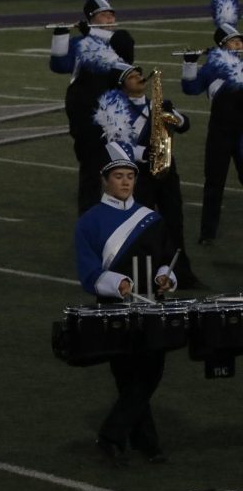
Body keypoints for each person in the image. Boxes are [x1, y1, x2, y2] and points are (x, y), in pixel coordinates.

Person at [74, 145, 177, 466]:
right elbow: (88, 269)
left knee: (150, 372)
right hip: (113, 309)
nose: (126, 182)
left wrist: (164, 277)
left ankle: (114, 435)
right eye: (118, 176)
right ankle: (147, 443)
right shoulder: (90, 221)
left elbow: (166, 256)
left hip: (151, 306)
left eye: (130, 176)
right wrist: (117, 284)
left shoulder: (151, 218)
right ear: (105, 180)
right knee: (127, 374)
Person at [92, 62, 199, 287]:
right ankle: (142, 275)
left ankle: (179, 273)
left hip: (167, 173)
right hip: (139, 177)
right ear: (121, 86)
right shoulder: (114, 113)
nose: (139, 77)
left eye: (139, 73)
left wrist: (175, 116)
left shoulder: (157, 105)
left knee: (174, 223)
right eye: (131, 76)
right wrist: (145, 153)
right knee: (142, 227)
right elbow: (113, 144)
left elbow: (185, 125)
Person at [50, 0, 136, 214]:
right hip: (86, 112)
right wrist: (60, 37)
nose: (110, 19)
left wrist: (94, 33)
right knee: (90, 166)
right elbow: (60, 65)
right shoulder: (80, 44)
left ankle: (122, 211)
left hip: (116, 113)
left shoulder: (119, 40)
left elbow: (126, 53)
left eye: (111, 15)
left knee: (121, 164)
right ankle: (89, 215)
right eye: (104, 16)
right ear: (91, 18)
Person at [182, 0, 243, 246]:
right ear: (221, 46)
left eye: (241, 41)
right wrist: (189, 64)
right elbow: (191, 89)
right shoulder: (211, 68)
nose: (239, 46)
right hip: (219, 132)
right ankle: (208, 233)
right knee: (213, 183)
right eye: (234, 42)